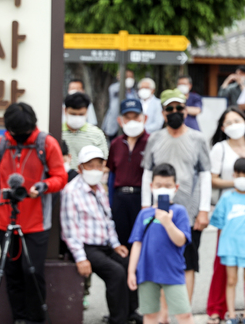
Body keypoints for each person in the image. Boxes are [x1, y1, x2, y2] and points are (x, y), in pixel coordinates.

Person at [0, 103, 68, 324]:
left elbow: (61, 177)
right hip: (5, 221)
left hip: (37, 223)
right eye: (16, 133)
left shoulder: (46, 143)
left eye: (25, 133)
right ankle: (19, 319)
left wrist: (43, 186)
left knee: (32, 274)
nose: (21, 137)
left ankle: (35, 320)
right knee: (11, 274)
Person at [141, 88, 211, 304]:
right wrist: (146, 205)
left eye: (178, 108)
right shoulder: (154, 138)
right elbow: (147, 172)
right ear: (162, 113)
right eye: (169, 108)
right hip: (159, 211)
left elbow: (205, 173)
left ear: (186, 111)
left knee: (188, 262)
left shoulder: (198, 139)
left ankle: (184, 311)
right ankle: (163, 314)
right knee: (160, 259)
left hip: (189, 212)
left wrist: (204, 209)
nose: (174, 112)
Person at [61, 145, 139, 324]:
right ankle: (117, 319)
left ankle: (130, 312)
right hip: (86, 247)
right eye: (90, 165)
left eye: (99, 165)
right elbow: (69, 229)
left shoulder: (100, 189)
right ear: (80, 168)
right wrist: (80, 258)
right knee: (116, 273)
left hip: (105, 244)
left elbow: (107, 220)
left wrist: (116, 244)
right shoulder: (71, 191)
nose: (95, 170)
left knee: (129, 264)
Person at [206, 107, 245, 324]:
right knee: (223, 267)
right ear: (223, 127)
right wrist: (238, 184)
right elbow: (211, 179)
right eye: (228, 122)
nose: (233, 125)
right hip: (229, 210)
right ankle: (218, 308)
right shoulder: (219, 148)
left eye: (237, 120)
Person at [128, 164, 194, 324]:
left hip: (173, 271)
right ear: (151, 187)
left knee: (183, 314)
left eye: (168, 185)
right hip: (147, 272)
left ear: (176, 187)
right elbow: (137, 243)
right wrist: (131, 271)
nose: (163, 189)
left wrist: (167, 222)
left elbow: (181, 241)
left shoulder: (179, 212)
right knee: (150, 315)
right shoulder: (144, 213)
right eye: (158, 185)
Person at [210, 158, 245, 324]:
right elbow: (218, 222)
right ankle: (231, 315)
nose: (241, 177)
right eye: (238, 174)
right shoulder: (226, 198)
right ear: (233, 174)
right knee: (231, 281)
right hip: (230, 247)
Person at [107, 99, 149, 247]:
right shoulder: (116, 144)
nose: (132, 122)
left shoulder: (151, 142)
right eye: (128, 118)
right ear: (120, 121)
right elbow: (111, 175)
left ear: (145, 118)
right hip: (120, 198)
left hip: (142, 199)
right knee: (121, 241)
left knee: (142, 241)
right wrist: (110, 203)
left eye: (136, 117)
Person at [62, 92, 109, 169]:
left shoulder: (96, 134)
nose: (77, 118)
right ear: (65, 111)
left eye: (81, 114)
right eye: (73, 114)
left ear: (87, 112)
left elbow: (105, 163)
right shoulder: (57, 132)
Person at [103, 70, 138, 139]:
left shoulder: (135, 93)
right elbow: (113, 90)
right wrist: (121, 81)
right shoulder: (114, 88)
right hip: (115, 125)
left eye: (131, 77)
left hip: (129, 124)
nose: (129, 79)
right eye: (126, 77)